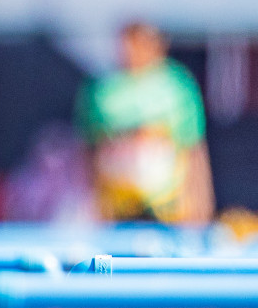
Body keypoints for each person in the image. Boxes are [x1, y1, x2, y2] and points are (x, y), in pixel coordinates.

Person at [76, 21, 213, 224]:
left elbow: (193, 147)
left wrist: (202, 202)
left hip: (168, 209)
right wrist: (92, 203)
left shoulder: (176, 88)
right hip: (118, 208)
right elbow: (89, 150)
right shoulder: (102, 90)